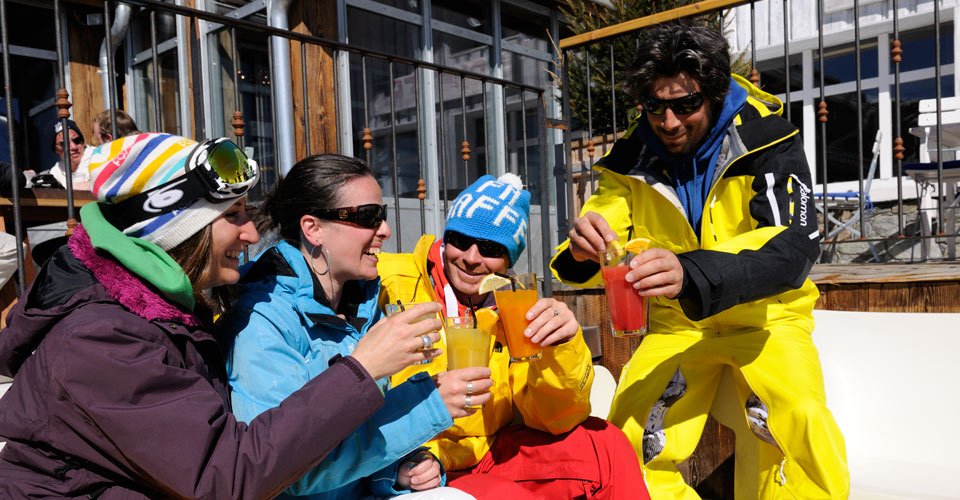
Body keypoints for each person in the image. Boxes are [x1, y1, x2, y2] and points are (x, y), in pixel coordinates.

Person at [0, 134, 438, 498]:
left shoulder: (160, 316)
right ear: (177, 228)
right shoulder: (103, 339)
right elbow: (226, 474)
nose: (251, 234)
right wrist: (361, 371)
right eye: (233, 215)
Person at [550, 22, 849, 500]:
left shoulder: (768, 138)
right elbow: (593, 239)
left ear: (714, 93)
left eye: (685, 104)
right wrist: (582, 250)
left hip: (766, 322)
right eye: (654, 106)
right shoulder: (628, 158)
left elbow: (792, 248)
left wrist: (690, 271)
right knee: (623, 446)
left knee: (799, 426)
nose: (668, 121)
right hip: (677, 328)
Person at [225, 153, 487, 499]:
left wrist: (402, 470)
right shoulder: (262, 319)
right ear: (313, 229)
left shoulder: (363, 306)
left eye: (383, 214)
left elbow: (359, 432)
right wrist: (429, 406)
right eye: (368, 217)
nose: (385, 230)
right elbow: (286, 470)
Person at [378, 173, 649, 500]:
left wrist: (560, 350)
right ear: (446, 238)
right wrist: (414, 457)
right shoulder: (388, 281)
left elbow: (554, 418)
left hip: (492, 453)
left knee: (606, 444)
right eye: (461, 240)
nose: (471, 257)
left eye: (490, 248)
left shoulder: (512, 307)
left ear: (508, 261)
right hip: (424, 462)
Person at [43, 118, 93, 190]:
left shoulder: (98, 157)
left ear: (82, 141)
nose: (73, 147)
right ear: (56, 150)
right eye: (64, 144)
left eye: (77, 140)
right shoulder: (57, 170)